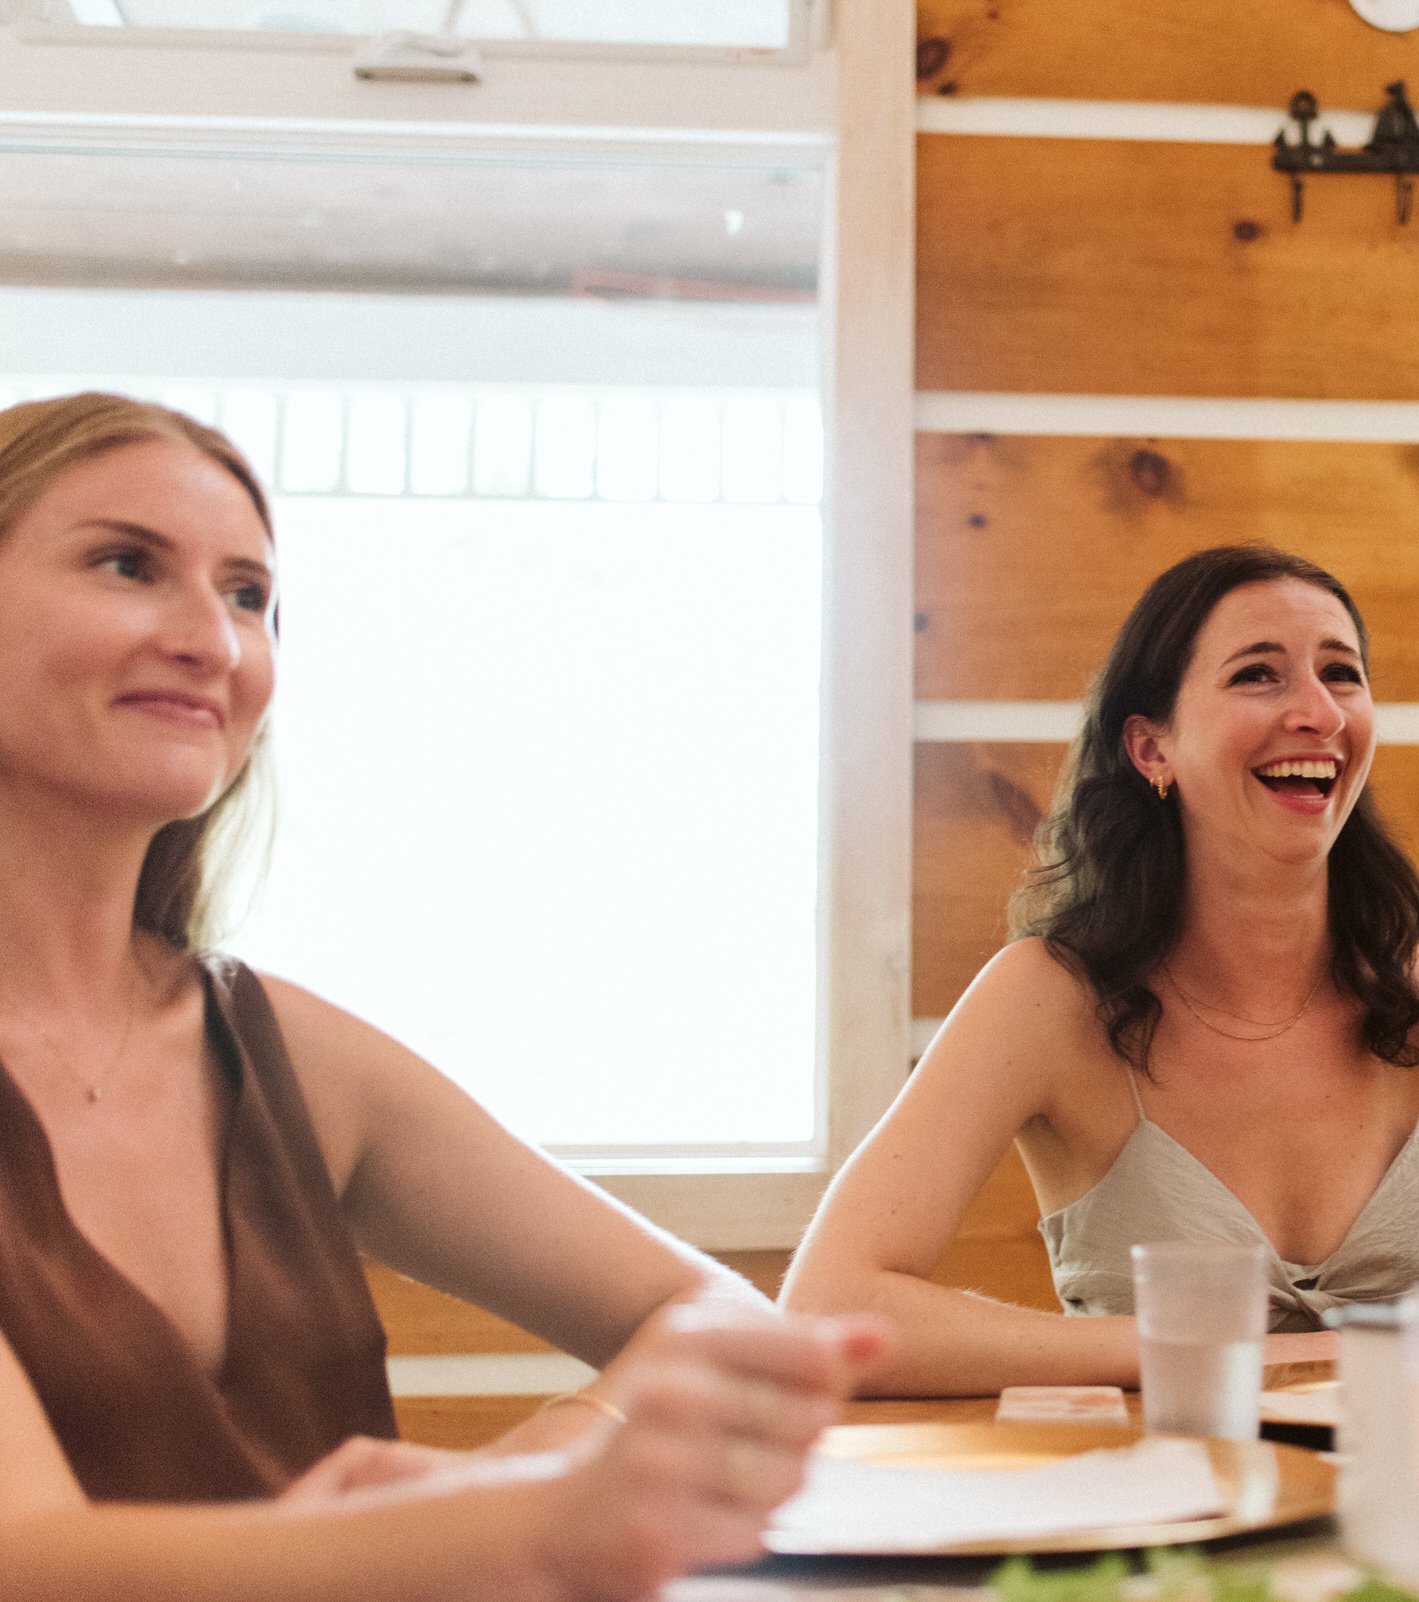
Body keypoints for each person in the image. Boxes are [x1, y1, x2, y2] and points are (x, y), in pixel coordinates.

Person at [0, 392, 882, 1601]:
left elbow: (715, 1310)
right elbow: (28, 1557)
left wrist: (526, 1470)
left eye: (250, 595)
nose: (214, 640)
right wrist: (523, 1526)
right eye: (126, 565)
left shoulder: (282, 1052)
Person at [785, 545, 1419, 1396]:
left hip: (1404, 1510)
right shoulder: (1046, 999)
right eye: (1258, 676)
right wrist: (1220, 1355)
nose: (1319, 712)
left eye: (1341, 674)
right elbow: (828, 1308)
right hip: (1147, 1506)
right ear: (1150, 748)